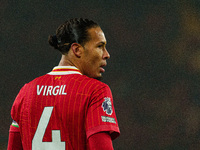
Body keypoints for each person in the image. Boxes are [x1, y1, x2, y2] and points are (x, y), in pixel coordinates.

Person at [7, 18, 120, 150]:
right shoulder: (95, 91)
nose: (107, 54)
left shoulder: (26, 92)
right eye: (100, 46)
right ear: (77, 49)